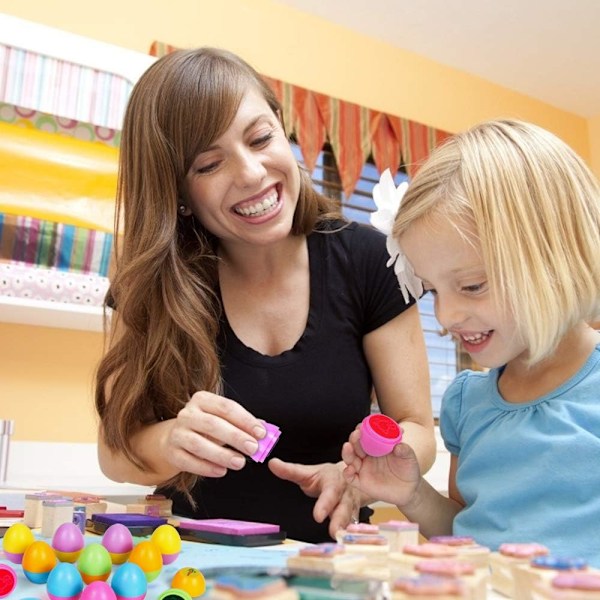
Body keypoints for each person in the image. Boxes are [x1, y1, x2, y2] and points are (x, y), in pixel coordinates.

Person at [94, 47, 436, 543]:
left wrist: (363, 475)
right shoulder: (151, 285)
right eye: (209, 164)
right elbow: (114, 454)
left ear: (281, 124)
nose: (252, 173)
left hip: (334, 569)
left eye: (260, 138)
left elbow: (417, 430)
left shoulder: (370, 258)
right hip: (189, 571)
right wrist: (171, 441)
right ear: (179, 196)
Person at [342, 119, 600, 563]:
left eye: (473, 286)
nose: (445, 316)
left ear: (556, 258)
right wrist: (413, 493)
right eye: (433, 291)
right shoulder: (467, 402)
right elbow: (464, 531)